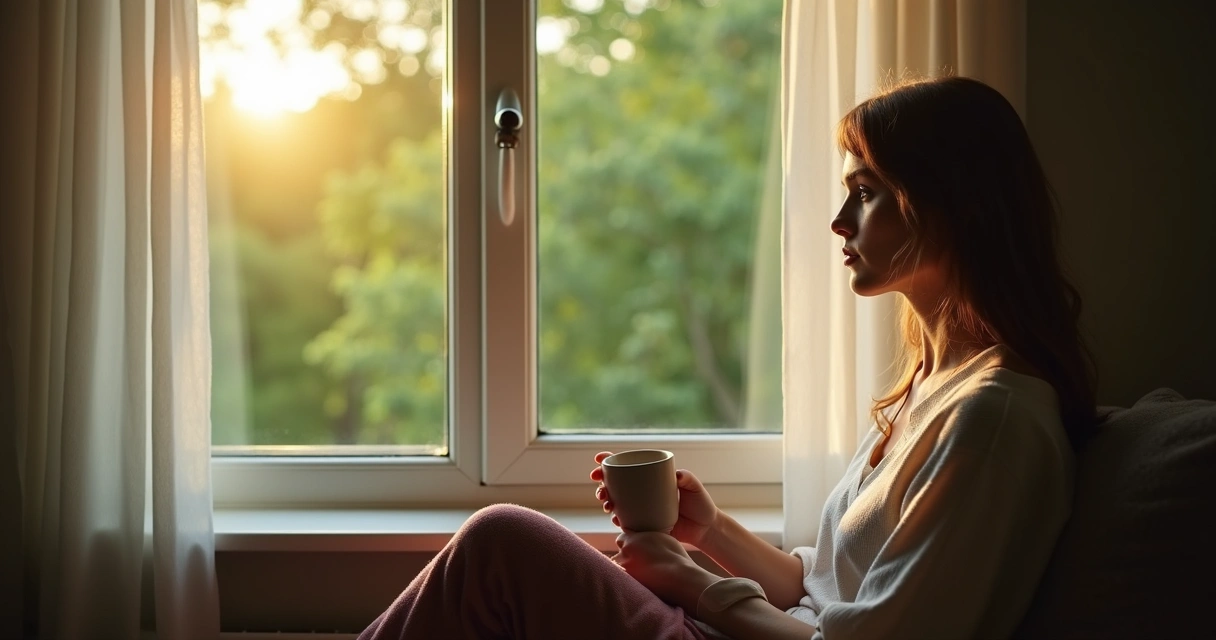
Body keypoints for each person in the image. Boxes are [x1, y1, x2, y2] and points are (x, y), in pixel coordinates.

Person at [357, 75, 1095, 640]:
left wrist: (692, 582)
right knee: (502, 551)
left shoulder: (996, 421)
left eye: (867, 194)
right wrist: (707, 530)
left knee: (502, 541)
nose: (840, 221)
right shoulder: (936, 385)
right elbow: (820, 589)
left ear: (952, 204)